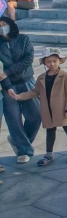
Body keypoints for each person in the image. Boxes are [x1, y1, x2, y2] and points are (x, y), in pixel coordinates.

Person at [7, 47, 67, 166]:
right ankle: (49, 153)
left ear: (60, 61)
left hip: (62, 109)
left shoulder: (65, 76)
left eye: (54, 61)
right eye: (48, 61)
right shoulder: (42, 78)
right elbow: (35, 92)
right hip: (48, 110)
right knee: (50, 131)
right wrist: (20, 96)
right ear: (44, 62)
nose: (52, 64)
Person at [0, 17, 41, 164]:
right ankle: (24, 151)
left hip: (27, 82)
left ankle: (21, 142)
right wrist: (8, 86)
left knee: (36, 115)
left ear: (10, 25)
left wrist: (8, 72)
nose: (2, 27)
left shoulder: (23, 39)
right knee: (14, 119)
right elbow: (0, 70)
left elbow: (28, 59)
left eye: (4, 24)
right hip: (8, 86)